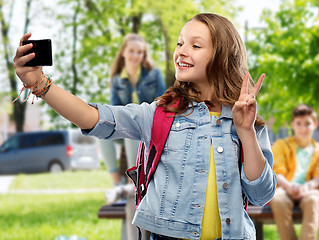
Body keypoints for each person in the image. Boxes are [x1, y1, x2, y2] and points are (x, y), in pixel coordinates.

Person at [13, 13, 276, 240]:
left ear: (223, 56)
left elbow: (260, 194)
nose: (181, 51)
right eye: (180, 43)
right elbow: (95, 118)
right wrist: (40, 84)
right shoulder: (161, 113)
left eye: (196, 46)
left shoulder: (245, 119)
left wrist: (245, 131)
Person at [100, 33, 166, 202]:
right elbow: (114, 110)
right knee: (101, 129)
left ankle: (132, 184)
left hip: (149, 126)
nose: (135, 56)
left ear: (143, 55)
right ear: (123, 52)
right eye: (132, 51)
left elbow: (161, 104)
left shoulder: (154, 75)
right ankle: (117, 184)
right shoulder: (117, 80)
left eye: (140, 52)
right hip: (127, 127)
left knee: (131, 128)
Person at [271, 104, 319, 240]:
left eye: (307, 124)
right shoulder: (282, 145)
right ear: (293, 125)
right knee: (278, 199)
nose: (303, 128)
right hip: (285, 188)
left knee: (313, 199)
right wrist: (289, 187)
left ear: (314, 124)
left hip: (310, 189)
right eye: (299, 124)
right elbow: (278, 171)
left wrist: (306, 187)